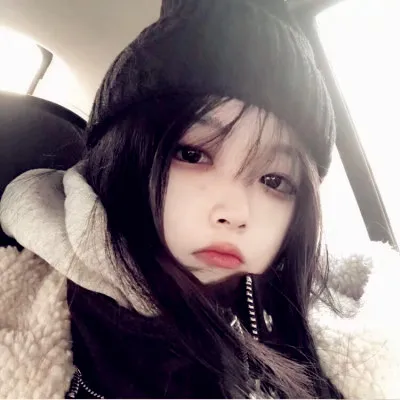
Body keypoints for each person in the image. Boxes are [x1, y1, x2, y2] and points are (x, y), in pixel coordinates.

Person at [0, 0, 399, 398]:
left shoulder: (350, 312)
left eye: (274, 180)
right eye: (193, 155)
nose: (236, 213)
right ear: (121, 155)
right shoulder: (19, 325)